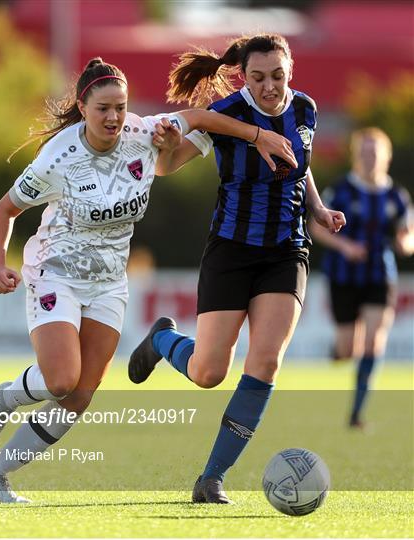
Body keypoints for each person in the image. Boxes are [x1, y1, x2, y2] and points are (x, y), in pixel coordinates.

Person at [0, 57, 298, 503]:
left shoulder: (144, 132)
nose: (113, 117)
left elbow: (202, 118)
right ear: (83, 107)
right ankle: (7, 398)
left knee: (82, 394)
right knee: (61, 379)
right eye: (103, 108)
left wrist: (260, 135)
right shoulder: (58, 158)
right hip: (57, 273)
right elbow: (6, 209)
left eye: (121, 108)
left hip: (109, 283)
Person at [128, 33, 346, 504]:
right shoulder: (227, 113)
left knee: (265, 361)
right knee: (208, 373)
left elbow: (301, 163)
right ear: (242, 76)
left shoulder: (306, 108)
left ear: (291, 72)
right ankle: (163, 338)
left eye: (278, 76)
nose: (269, 86)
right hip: (230, 250)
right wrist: (166, 145)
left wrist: (319, 209)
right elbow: (166, 168)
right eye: (258, 77)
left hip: (287, 252)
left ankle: (211, 478)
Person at [310, 127, 413, 428]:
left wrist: (405, 244)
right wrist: (345, 246)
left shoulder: (397, 196)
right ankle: (339, 351)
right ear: (356, 155)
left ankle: (356, 414)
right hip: (343, 276)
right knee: (347, 350)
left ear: (387, 157)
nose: (369, 157)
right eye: (364, 152)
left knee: (373, 344)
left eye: (375, 152)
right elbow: (316, 227)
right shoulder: (341, 190)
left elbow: (409, 236)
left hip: (380, 275)